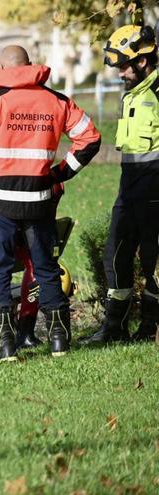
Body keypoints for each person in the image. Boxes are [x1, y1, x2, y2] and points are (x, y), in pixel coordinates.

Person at [0, 46, 101, 360]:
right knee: (45, 267)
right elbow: (90, 137)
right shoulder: (56, 100)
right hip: (40, 199)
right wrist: (62, 172)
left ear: (1, 67)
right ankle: (60, 341)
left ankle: (4, 345)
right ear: (30, 66)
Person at [81, 25, 159, 345]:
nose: (120, 74)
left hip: (156, 186)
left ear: (143, 61)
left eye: (124, 66)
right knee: (116, 253)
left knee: (154, 260)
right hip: (130, 186)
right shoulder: (134, 92)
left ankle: (150, 328)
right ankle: (115, 327)